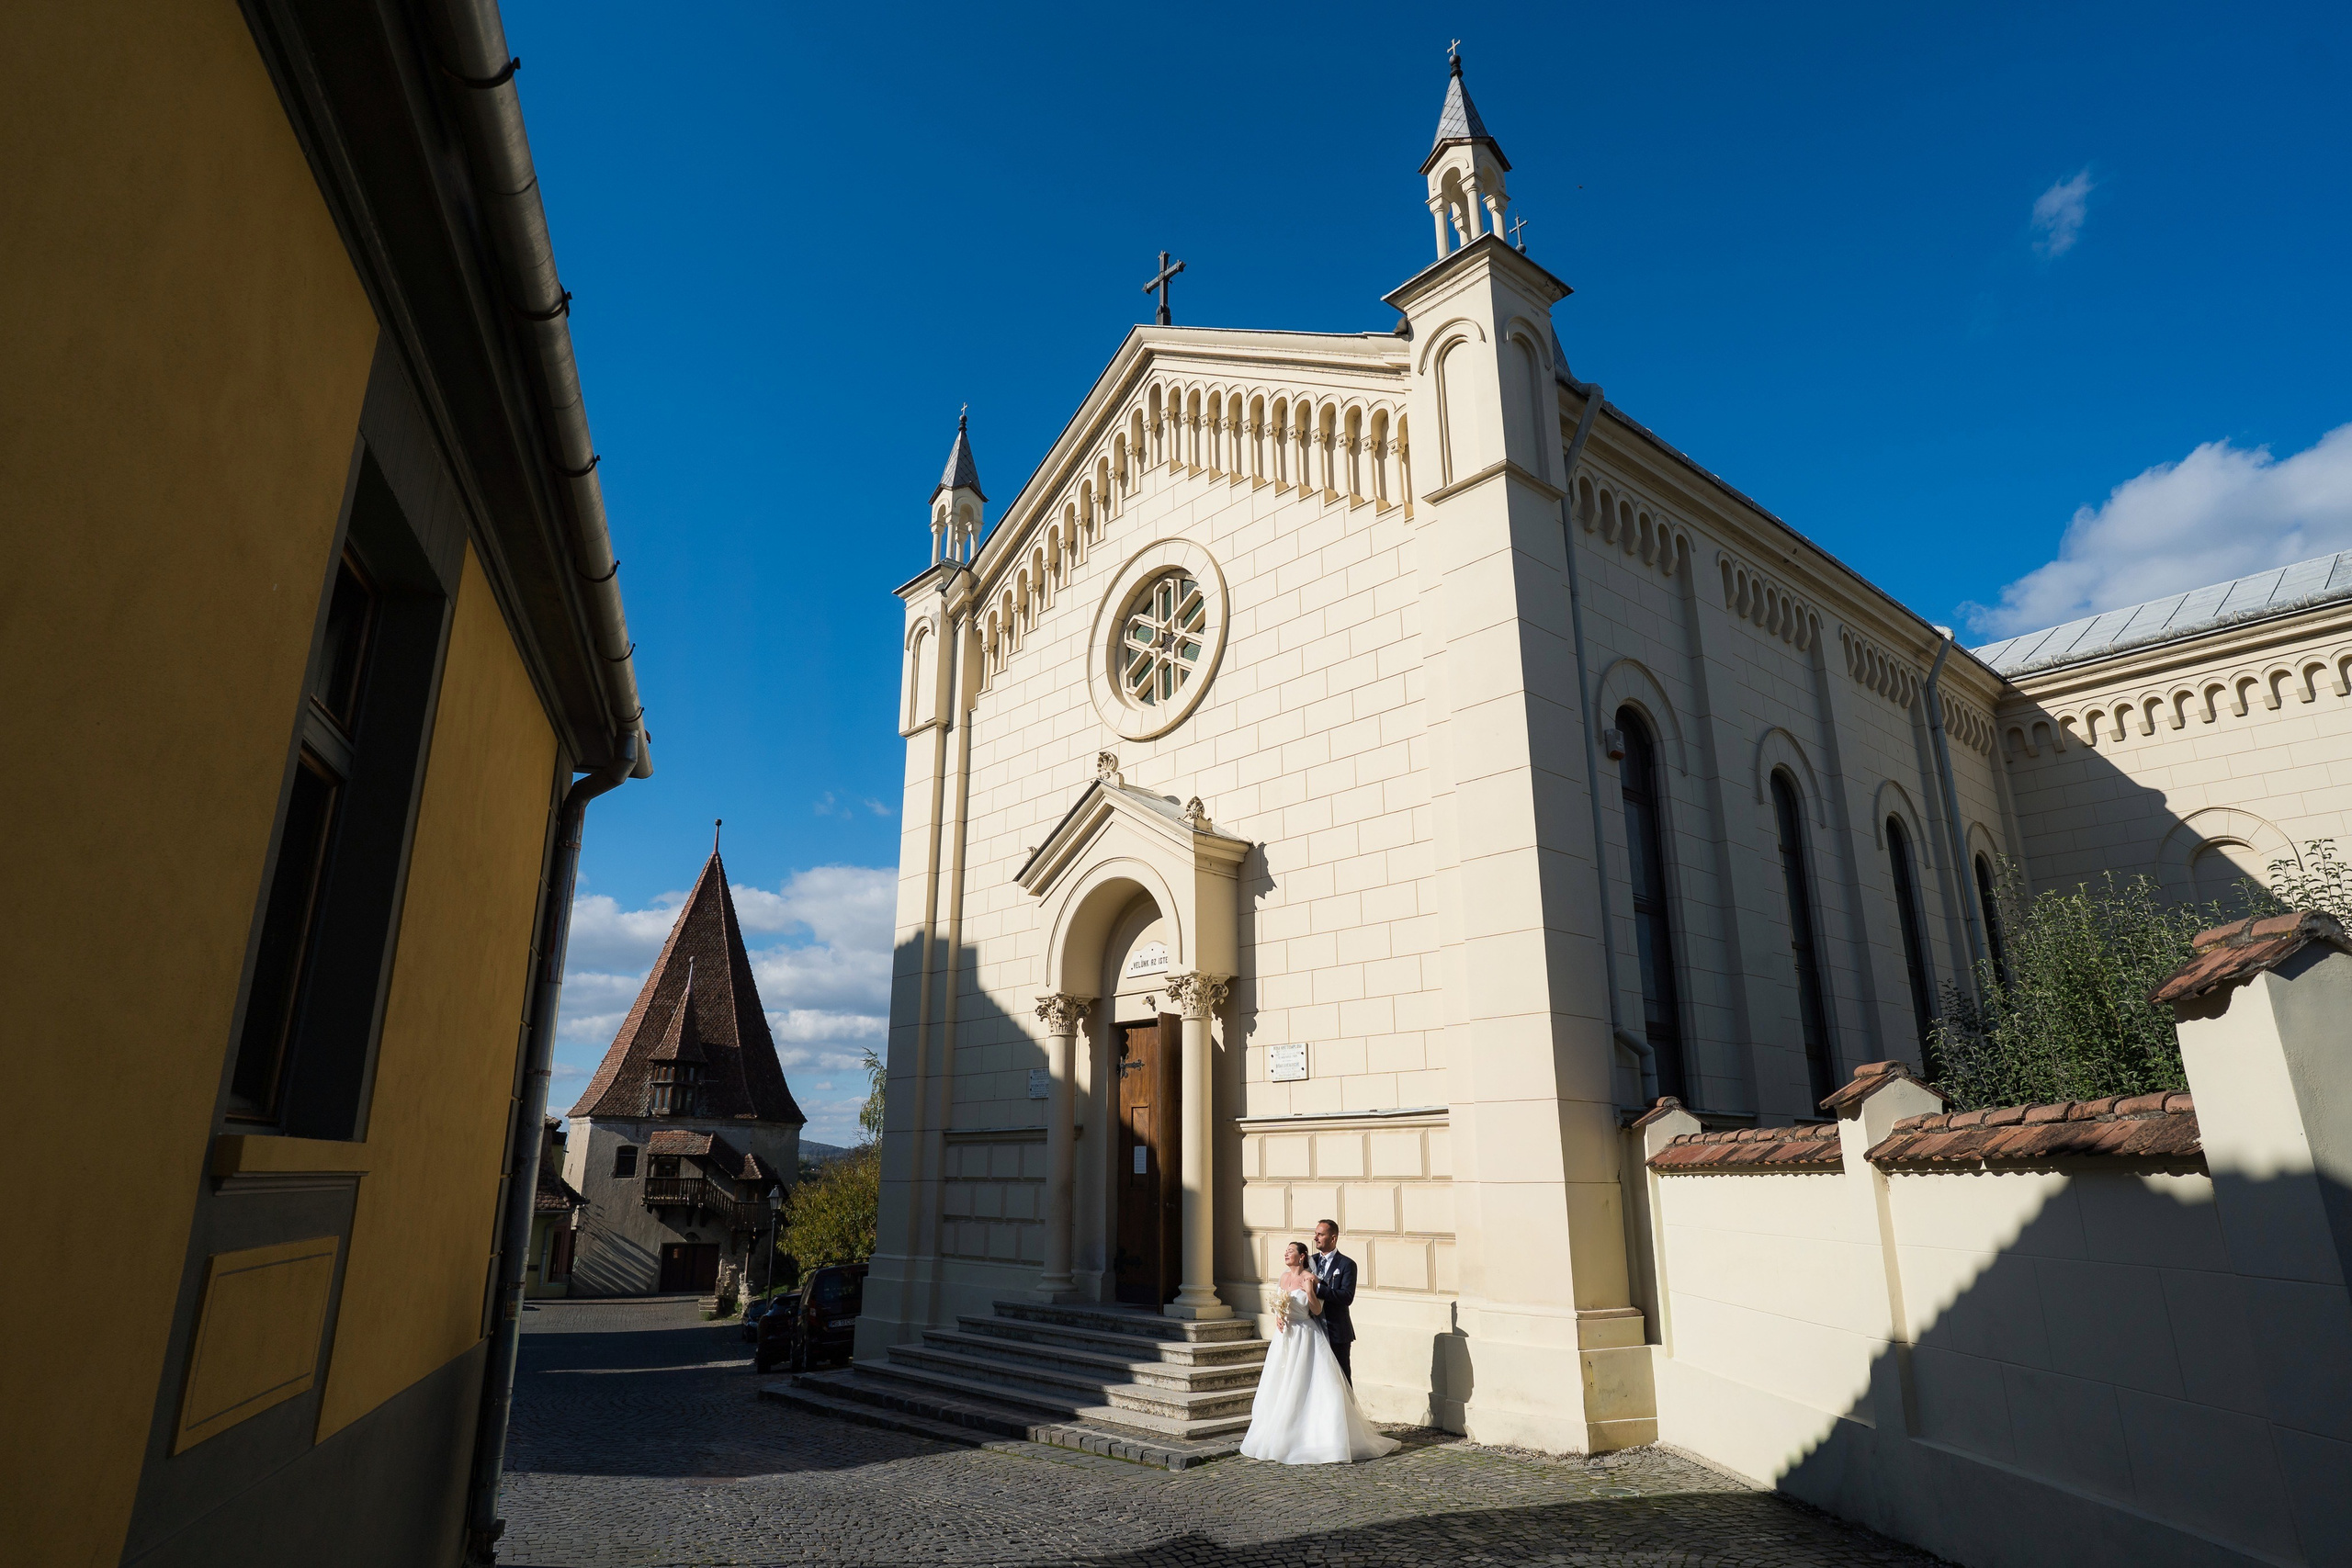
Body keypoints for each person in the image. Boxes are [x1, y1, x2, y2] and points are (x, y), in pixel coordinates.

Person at [1237, 1239, 1398, 1465]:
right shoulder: (1283, 1277)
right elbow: (1277, 1303)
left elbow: (1316, 1309)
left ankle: (1314, 1434)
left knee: (1306, 1382)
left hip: (1305, 1335)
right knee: (1281, 1382)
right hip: (1284, 1337)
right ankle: (1279, 1432)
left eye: (1290, 1251)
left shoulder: (1310, 1278)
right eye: (1286, 1250)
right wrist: (1278, 1316)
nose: (1286, 1253)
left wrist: (1310, 1291)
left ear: (1302, 1256)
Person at [1308, 1218, 1357, 1382]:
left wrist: (1319, 1290)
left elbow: (1347, 1296)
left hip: (1336, 1332)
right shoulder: (1310, 1262)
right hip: (1313, 1329)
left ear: (1333, 1238)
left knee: (1341, 1378)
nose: (1315, 1238)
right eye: (1315, 1234)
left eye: (1320, 1234)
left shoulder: (1346, 1264)